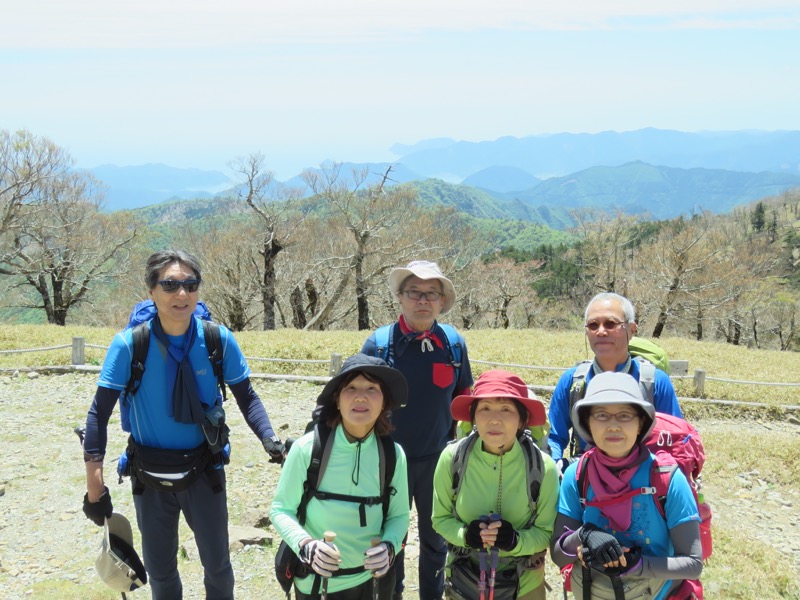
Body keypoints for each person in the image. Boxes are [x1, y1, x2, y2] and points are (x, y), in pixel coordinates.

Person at [81, 249, 287, 600]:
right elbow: (97, 415)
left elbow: (246, 397)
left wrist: (271, 441)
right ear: (151, 291)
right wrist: (94, 489)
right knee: (160, 572)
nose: (182, 294)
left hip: (204, 470)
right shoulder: (131, 345)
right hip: (149, 475)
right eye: (170, 285)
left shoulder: (217, 340)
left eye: (191, 285)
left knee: (218, 567)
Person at [361, 260, 474, 600]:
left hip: (438, 460)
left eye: (431, 294)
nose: (422, 300)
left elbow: (464, 397)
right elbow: (358, 399)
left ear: (441, 301)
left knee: (436, 538)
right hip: (386, 462)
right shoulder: (379, 345)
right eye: (414, 293)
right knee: (388, 539)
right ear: (400, 297)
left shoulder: (453, 343)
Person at [550, 372, 703, 599]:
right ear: (587, 423)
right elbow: (558, 554)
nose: (613, 426)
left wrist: (638, 565)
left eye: (624, 415)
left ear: (641, 423)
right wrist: (584, 535)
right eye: (601, 415)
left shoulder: (666, 479)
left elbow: (692, 564)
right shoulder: (577, 476)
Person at [270, 354, 411, 600]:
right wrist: (306, 545)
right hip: (316, 582)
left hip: (371, 583)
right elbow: (281, 509)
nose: (361, 396)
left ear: (384, 402)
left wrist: (389, 546)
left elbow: (399, 516)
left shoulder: (393, 455)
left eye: (372, 389)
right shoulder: (307, 449)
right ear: (337, 399)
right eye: (351, 388)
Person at [432, 370, 560, 600]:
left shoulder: (544, 468)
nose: (494, 419)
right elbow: (439, 519)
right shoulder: (451, 460)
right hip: (465, 576)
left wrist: (515, 542)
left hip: (525, 582)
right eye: (485, 408)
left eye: (506, 409)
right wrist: (465, 536)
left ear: (522, 420)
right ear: (473, 417)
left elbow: (545, 533)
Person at [547, 292, 683, 465]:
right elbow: (554, 437)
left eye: (611, 324)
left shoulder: (655, 382)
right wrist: (555, 470)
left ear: (631, 330)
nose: (601, 331)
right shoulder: (572, 381)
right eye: (593, 325)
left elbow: (674, 439)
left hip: (643, 484)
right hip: (586, 483)